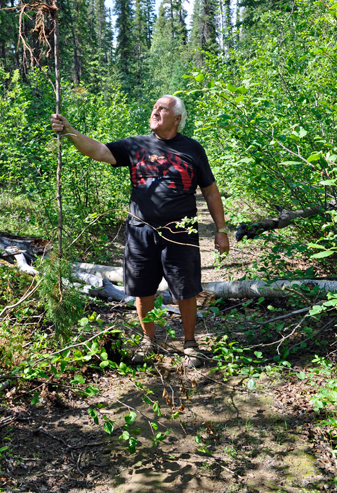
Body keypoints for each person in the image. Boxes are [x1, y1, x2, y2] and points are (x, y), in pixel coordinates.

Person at [51, 95, 229, 367]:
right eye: (154, 107)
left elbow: (210, 191)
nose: (155, 111)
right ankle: (149, 341)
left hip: (180, 233)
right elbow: (98, 151)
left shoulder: (192, 149)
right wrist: (70, 130)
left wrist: (221, 229)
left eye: (163, 108)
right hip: (140, 231)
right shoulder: (136, 145)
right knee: (143, 290)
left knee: (185, 289)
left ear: (177, 118)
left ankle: (190, 343)